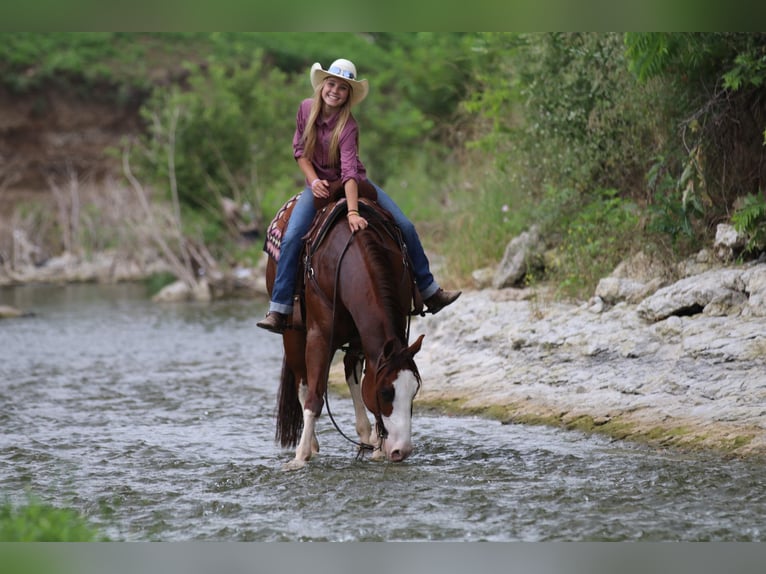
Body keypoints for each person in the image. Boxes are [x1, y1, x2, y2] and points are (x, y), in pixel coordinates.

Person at [257, 58, 460, 333]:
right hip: (320, 185)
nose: (335, 91)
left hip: (352, 181)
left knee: (406, 226)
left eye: (343, 88)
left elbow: (350, 173)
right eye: (331, 84)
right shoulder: (306, 109)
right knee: (293, 235)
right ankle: (280, 308)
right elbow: (300, 153)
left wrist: (353, 212)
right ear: (322, 86)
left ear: (348, 95)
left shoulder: (348, 126)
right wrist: (314, 180)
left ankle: (429, 289)